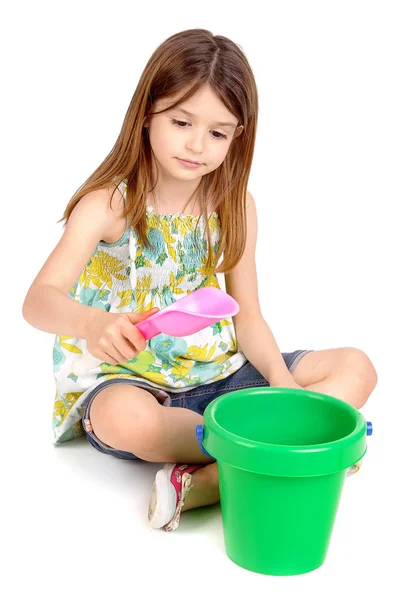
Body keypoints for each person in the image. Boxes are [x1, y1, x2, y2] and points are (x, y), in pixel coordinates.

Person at [22, 28, 378, 533]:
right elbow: (37, 301)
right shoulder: (108, 205)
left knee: (357, 367)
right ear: (147, 114)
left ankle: (211, 480)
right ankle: (297, 452)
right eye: (181, 121)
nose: (197, 145)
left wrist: (282, 388)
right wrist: (92, 322)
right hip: (133, 384)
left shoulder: (235, 205)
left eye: (218, 132)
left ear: (238, 136)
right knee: (129, 422)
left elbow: (248, 315)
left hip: (221, 378)